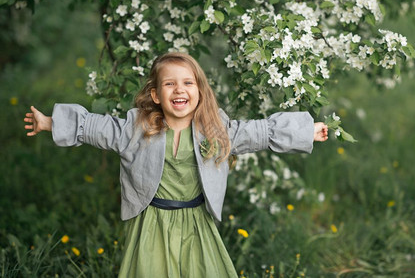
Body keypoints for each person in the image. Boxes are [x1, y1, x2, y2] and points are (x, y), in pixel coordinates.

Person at [24, 52, 328, 277]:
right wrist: (51, 122)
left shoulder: (215, 130)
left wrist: (306, 132)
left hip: (197, 222)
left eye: (187, 83)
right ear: (156, 95)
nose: (179, 89)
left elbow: (258, 132)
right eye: (170, 84)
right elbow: (97, 127)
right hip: (152, 222)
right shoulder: (137, 128)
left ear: (199, 92)